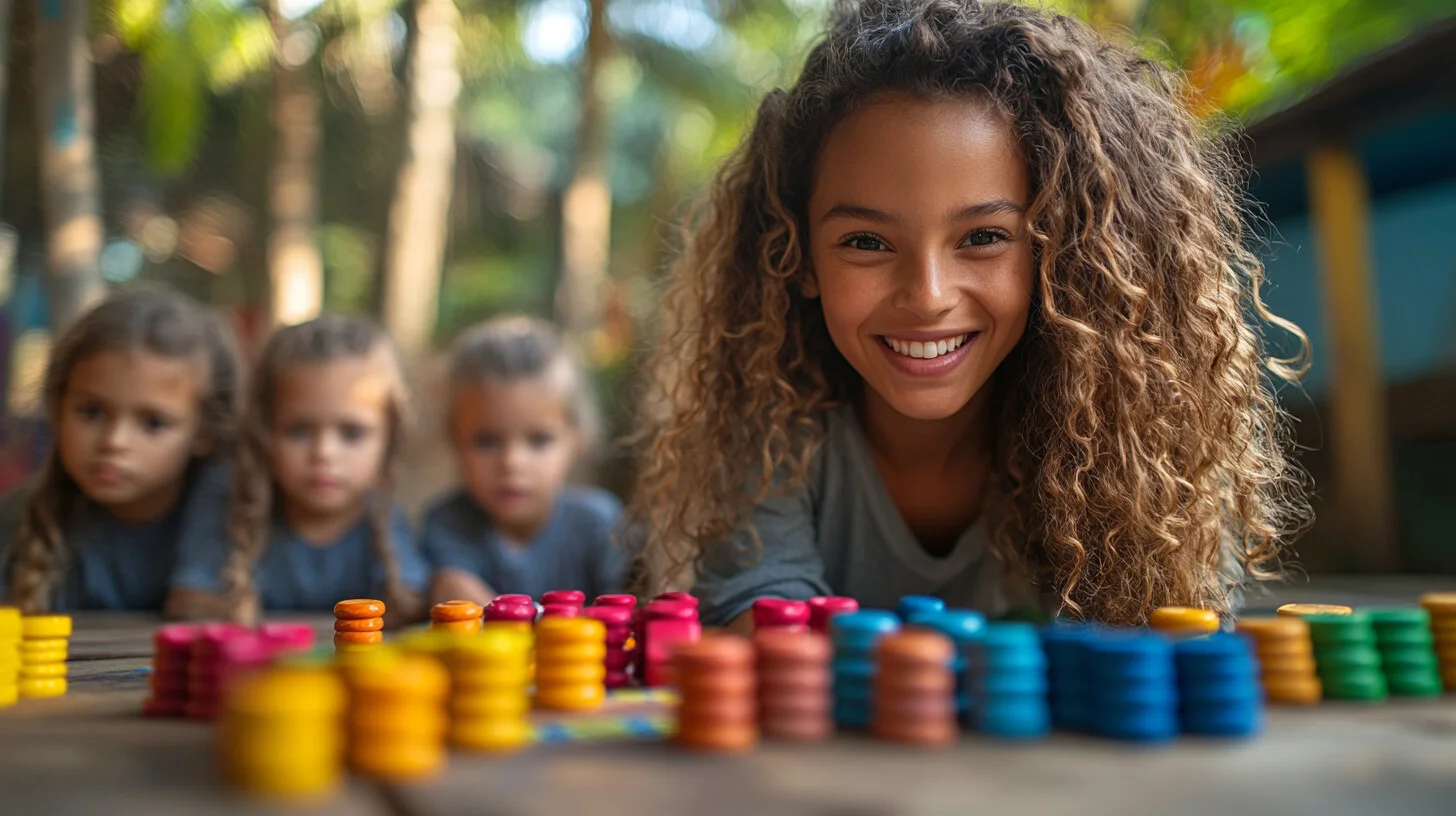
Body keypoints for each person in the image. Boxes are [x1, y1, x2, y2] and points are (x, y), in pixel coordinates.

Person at [629, 0, 1311, 629]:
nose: (927, 294)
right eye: (866, 242)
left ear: (1064, 251)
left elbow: (1171, 644)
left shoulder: (1133, 446)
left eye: (983, 237)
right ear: (797, 258)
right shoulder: (771, 434)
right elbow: (763, 628)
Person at [171, 315, 427, 624]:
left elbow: (412, 604)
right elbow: (187, 601)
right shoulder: (229, 501)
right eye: (298, 431)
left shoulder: (384, 519)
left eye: (352, 433)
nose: (323, 454)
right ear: (263, 430)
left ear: (390, 438)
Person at [0, 287, 241, 613]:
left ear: (206, 431)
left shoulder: (240, 526)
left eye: (153, 423)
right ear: (57, 406)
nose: (114, 441)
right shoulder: (20, 522)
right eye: (91, 412)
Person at [422, 316, 624, 604]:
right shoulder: (448, 523)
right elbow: (460, 606)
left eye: (539, 440)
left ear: (577, 439)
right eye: (487, 441)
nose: (512, 463)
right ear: (454, 439)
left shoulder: (600, 523)